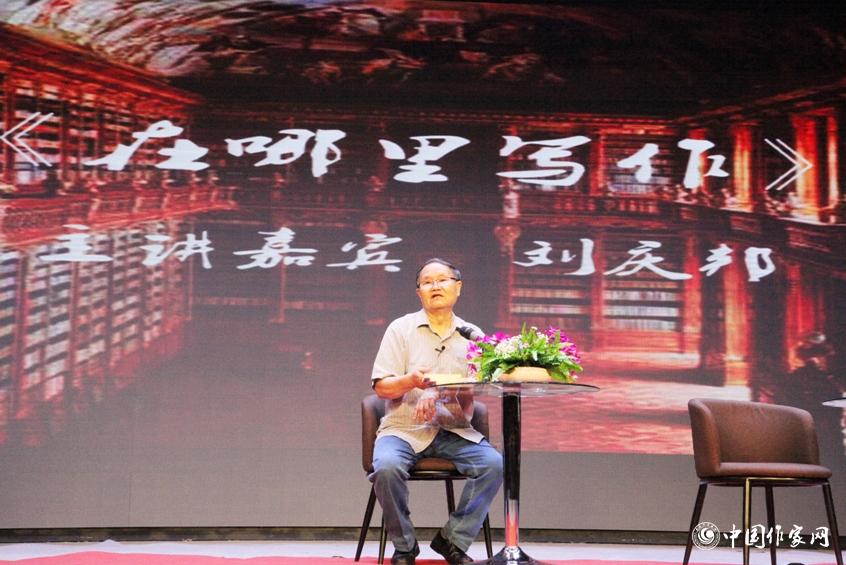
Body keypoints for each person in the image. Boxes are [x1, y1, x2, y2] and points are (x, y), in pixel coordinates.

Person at [370, 258, 503, 565]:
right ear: (419, 292)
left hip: (453, 430)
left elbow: (477, 387)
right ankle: (404, 546)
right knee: (387, 467)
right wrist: (412, 381)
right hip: (402, 429)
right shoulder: (400, 329)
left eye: (442, 280)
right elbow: (382, 388)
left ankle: (452, 539)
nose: (435, 287)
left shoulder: (472, 335)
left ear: (458, 288)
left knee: (493, 465)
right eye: (427, 282)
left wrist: (441, 391)